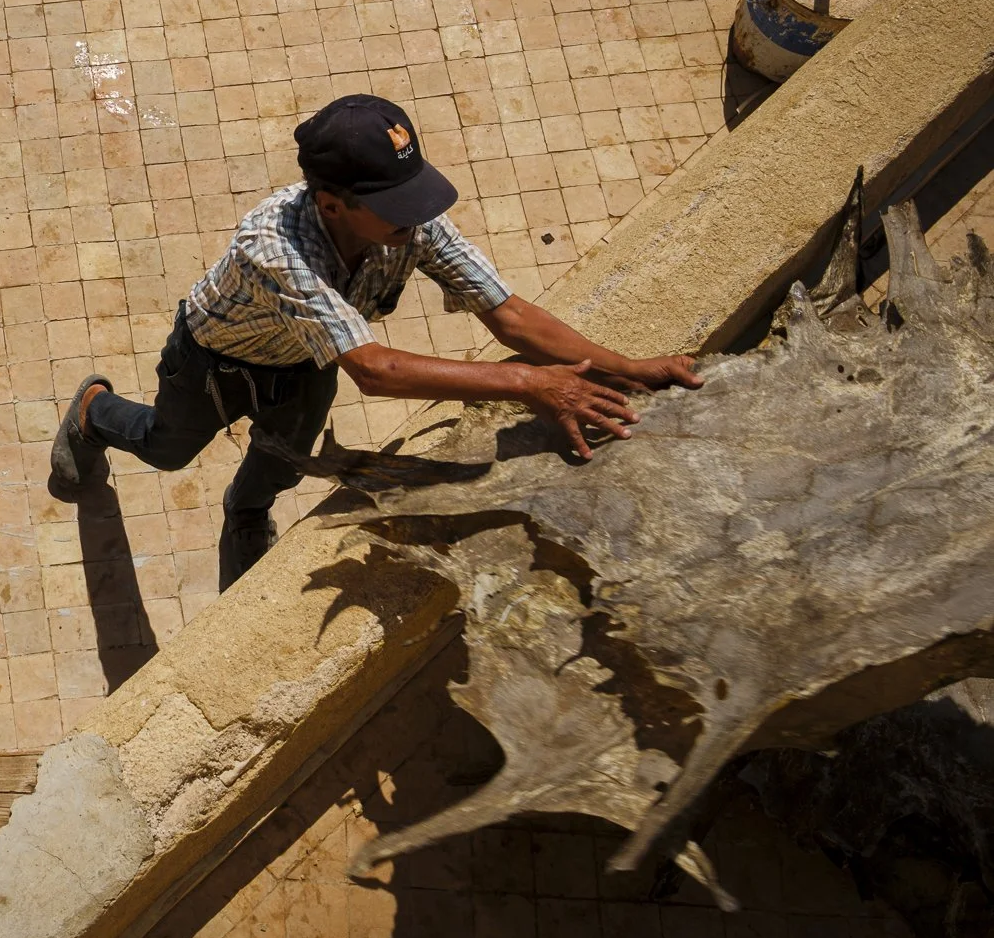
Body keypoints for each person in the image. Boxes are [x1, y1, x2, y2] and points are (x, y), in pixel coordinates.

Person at [50, 94, 702, 588]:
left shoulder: (407, 223)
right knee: (167, 451)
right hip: (213, 363)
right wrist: (532, 383)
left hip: (306, 366)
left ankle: (244, 514)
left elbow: (508, 315)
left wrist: (629, 367)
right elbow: (376, 369)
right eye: (397, 202)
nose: (417, 214)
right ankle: (93, 411)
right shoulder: (273, 246)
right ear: (333, 203)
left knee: (278, 463)